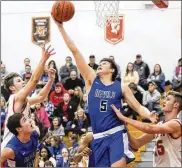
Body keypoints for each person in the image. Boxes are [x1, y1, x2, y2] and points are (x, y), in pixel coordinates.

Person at [52, 18, 158, 167]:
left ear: (112, 69)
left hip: (117, 133)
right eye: (99, 63)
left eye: (104, 63)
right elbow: (75, 50)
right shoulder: (91, 79)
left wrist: (148, 114)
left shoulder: (121, 87)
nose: (100, 65)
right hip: (98, 137)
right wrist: (60, 27)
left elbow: (138, 107)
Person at [1, 44, 56, 150]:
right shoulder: (16, 97)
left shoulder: (23, 99)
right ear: (12, 87)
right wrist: (43, 59)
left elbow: (41, 96)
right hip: (11, 146)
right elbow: (34, 80)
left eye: (22, 80)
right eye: (19, 81)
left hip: (21, 144)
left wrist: (50, 80)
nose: (23, 82)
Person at [111, 91, 182, 167]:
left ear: (176, 104)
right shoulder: (160, 125)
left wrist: (124, 118)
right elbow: (136, 144)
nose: (164, 101)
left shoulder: (176, 124)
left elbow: (149, 128)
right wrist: (124, 126)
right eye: (164, 99)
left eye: (168, 99)